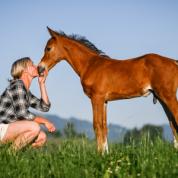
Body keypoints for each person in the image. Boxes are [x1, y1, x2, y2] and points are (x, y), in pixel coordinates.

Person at [0, 57, 56, 150]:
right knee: (34, 127)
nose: (36, 66)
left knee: (42, 137)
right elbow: (22, 114)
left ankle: (12, 154)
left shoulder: (26, 92)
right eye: (32, 65)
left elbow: (45, 107)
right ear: (25, 70)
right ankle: (10, 155)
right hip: (2, 127)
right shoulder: (18, 85)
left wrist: (42, 83)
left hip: (8, 129)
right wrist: (44, 121)